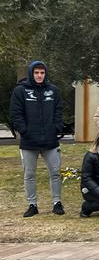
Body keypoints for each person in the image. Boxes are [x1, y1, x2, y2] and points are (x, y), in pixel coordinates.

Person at [11, 61, 65, 217]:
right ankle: (32, 205)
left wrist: (57, 127)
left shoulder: (53, 90)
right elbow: (16, 113)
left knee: (55, 172)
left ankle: (57, 202)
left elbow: (59, 111)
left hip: (50, 141)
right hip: (29, 141)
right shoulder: (20, 91)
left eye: (42, 72)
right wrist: (24, 130)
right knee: (29, 174)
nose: (39, 75)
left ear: (45, 74)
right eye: (36, 73)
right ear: (31, 73)